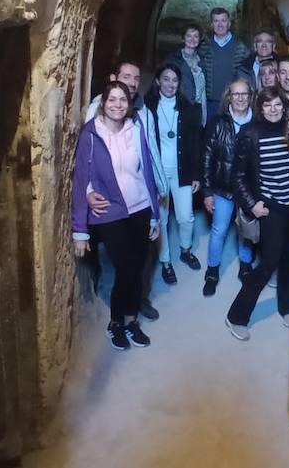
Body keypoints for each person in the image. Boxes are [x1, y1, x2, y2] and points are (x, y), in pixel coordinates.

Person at [72, 82, 162, 350]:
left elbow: (146, 173)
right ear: (103, 103)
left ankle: (132, 321)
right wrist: (80, 230)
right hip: (109, 211)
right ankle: (116, 323)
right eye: (112, 99)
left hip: (140, 208)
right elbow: (81, 179)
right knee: (125, 269)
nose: (118, 105)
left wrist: (155, 215)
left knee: (137, 267)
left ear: (129, 104)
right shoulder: (91, 134)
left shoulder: (136, 129)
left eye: (123, 100)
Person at [84, 61, 166, 321]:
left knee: (143, 254)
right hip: (110, 201)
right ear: (113, 78)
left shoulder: (143, 114)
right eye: (126, 76)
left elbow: (150, 152)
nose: (132, 82)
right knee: (120, 259)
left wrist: (158, 187)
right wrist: (87, 192)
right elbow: (86, 157)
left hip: (139, 198)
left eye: (136, 78)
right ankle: (114, 311)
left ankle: (139, 302)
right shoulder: (95, 112)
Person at [225, 87, 289, 340]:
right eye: (268, 105)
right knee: (269, 263)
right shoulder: (250, 133)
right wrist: (252, 204)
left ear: (284, 106)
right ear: (260, 108)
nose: (273, 109)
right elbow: (237, 176)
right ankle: (237, 316)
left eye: (278, 104)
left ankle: (288, 306)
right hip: (271, 209)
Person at [143, 63, 203, 285]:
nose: (170, 84)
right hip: (158, 172)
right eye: (166, 79)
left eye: (174, 80)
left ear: (179, 83)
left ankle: (185, 250)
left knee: (185, 217)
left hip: (182, 171)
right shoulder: (147, 107)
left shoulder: (189, 108)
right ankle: (166, 261)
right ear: (158, 81)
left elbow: (196, 143)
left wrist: (196, 174)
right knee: (161, 219)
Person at [200, 78, 256, 297]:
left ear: (250, 97)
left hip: (248, 190)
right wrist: (207, 192)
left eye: (244, 94)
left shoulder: (257, 123)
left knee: (246, 230)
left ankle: (245, 266)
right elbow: (207, 158)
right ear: (229, 97)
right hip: (222, 188)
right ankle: (212, 272)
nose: (240, 98)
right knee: (219, 230)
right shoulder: (217, 122)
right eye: (236, 94)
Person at [199, 8, 250, 116]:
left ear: (229, 23)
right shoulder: (204, 46)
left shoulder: (240, 47)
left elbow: (248, 74)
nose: (220, 25)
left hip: (233, 101)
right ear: (211, 24)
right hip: (210, 102)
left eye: (223, 21)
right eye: (216, 21)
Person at [163, 25, 209, 128]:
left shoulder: (202, 60)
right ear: (183, 38)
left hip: (198, 108)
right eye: (189, 36)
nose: (192, 39)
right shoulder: (174, 59)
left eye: (196, 36)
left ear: (200, 39)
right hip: (179, 107)